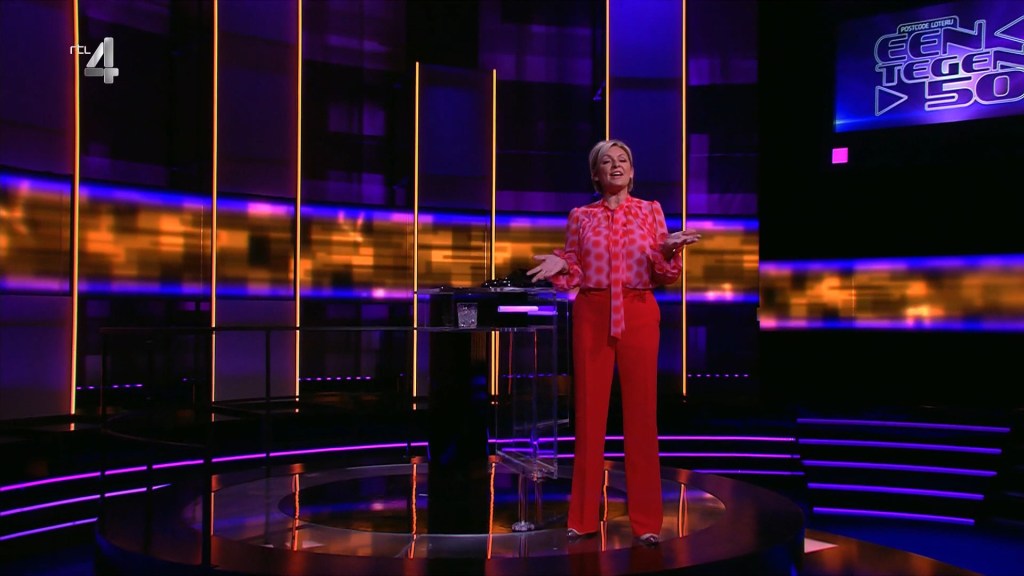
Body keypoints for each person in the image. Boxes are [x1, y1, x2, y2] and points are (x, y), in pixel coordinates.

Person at [527, 139, 701, 545]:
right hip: (593, 312)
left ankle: (647, 523)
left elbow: (663, 273)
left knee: (641, 417)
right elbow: (574, 265)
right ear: (596, 174)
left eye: (623, 160)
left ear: (632, 171)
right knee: (589, 417)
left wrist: (668, 251)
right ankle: (583, 517)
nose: (616, 165)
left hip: (638, 310)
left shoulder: (651, 211)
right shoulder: (581, 216)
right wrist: (562, 262)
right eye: (607, 161)